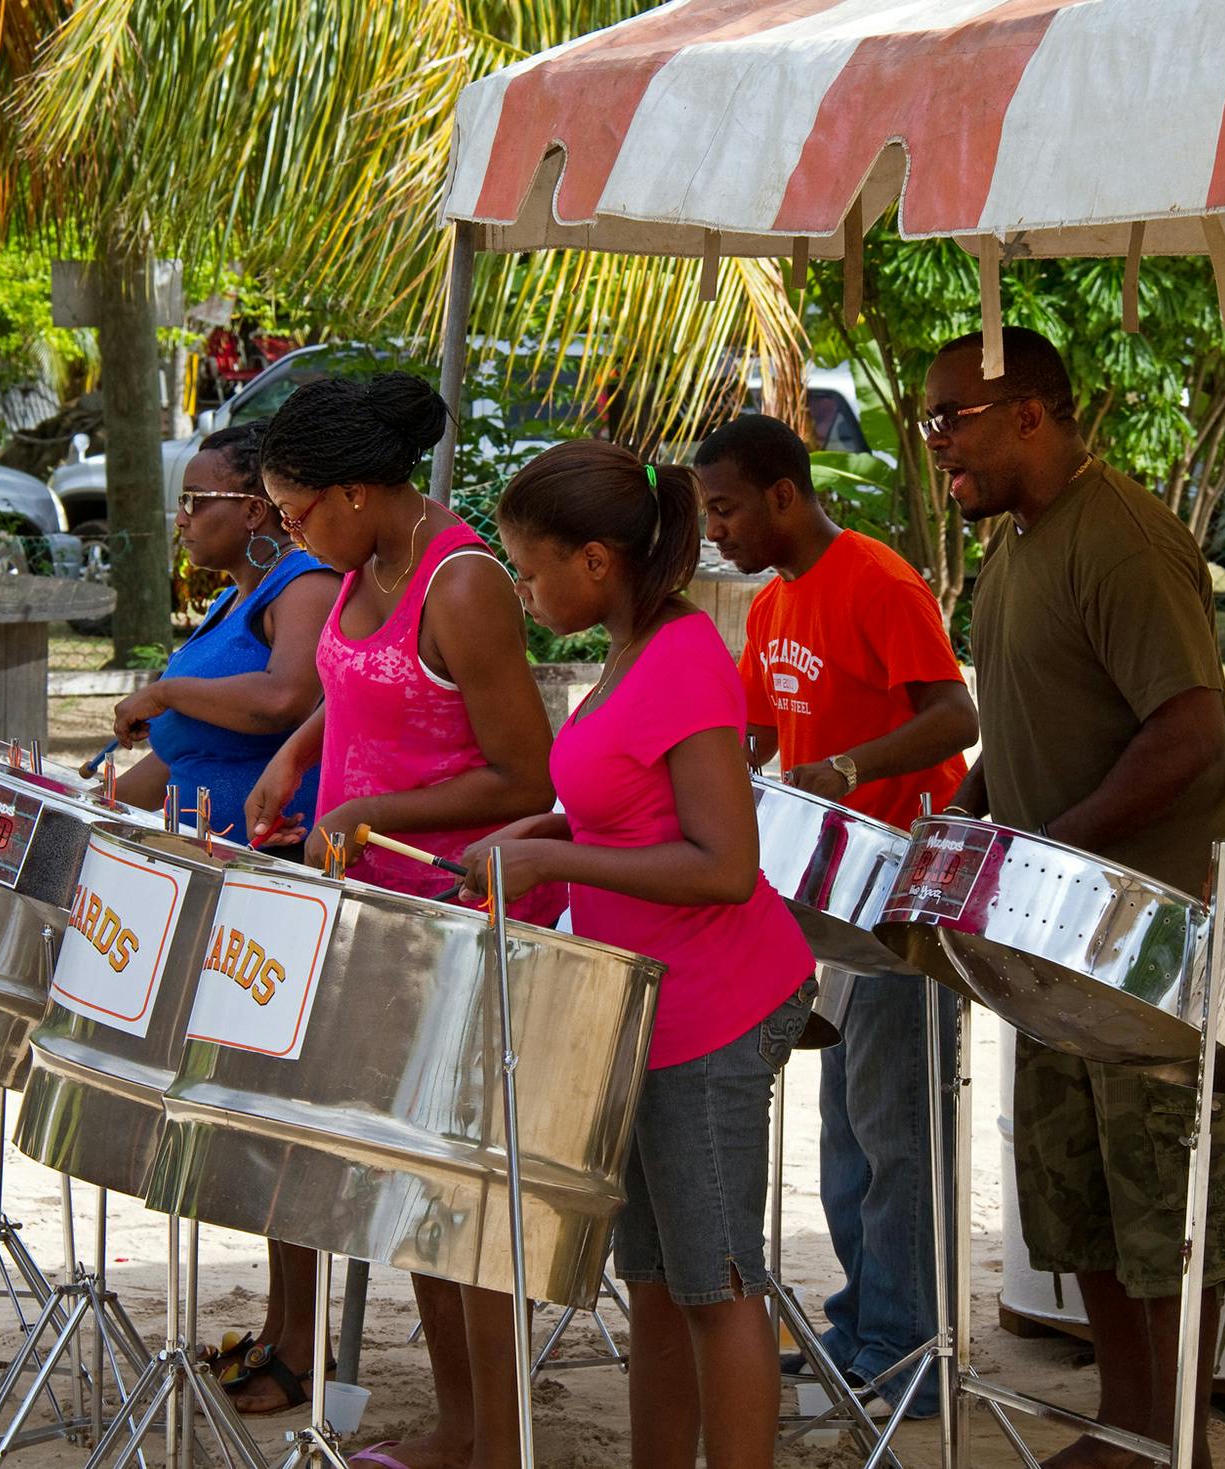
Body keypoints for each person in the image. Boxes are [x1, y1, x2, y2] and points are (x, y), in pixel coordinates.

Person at [926, 327, 1225, 1469]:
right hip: (1060, 912)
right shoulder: (1016, 545)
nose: (937, 447)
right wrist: (967, 824)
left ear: (1030, 412)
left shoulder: (1118, 534)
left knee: (1161, 1186)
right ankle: (1127, 1424)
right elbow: (1026, 719)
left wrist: (1050, 847)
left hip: (1161, 912)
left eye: (953, 420)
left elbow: (1187, 730)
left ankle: (1175, 1440)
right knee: (1069, 1176)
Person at [461, 439, 817, 1469]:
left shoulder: (684, 658)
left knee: (716, 1282)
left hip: (714, 1006)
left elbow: (721, 864)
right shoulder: (625, 650)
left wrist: (551, 857)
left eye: (528, 570)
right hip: (647, 1008)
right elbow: (621, 822)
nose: (519, 591)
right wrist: (535, 850)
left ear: (596, 561)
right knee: (656, 1282)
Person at [238, 372, 564, 1461]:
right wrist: (297, 751)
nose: (288, 533)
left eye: (294, 513)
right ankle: (459, 1426)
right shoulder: (360, 562)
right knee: (416, 1196)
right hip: (374, 911)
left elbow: (526, 776)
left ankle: (490, 1435)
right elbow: (368, 680)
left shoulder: (461, 580)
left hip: (455, 914)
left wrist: (374, 807)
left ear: (358, 493)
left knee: (462, 1205)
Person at [694, 414, 975, 1418]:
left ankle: (907, 1356)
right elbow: (753, 736)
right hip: (827, 896)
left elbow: (953, 715)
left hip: (902, 887)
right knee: (847, 1127)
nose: (714, 530)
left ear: (781, 493)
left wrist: (851, 766)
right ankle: (863, 1325)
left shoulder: (877, 580)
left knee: (900, 1128)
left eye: (724, 507)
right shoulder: (771, 605)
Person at [110, 422, 335, 854]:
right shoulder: (228, 601)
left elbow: (285, 699)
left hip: (273, 862)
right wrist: (91, 810)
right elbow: (185, 754)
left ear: (253, 511)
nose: (180, 519)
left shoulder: (307, 585)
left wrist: (166, 694)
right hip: (202, 858)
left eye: (193, 501)